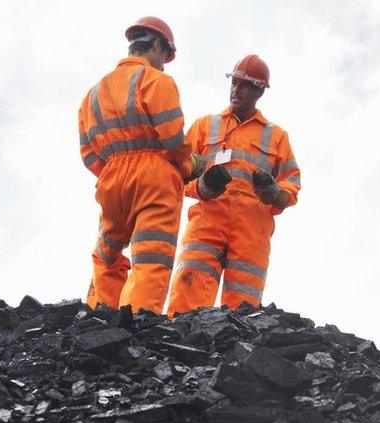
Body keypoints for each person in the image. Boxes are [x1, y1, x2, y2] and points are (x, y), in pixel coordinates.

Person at [78, 16, 203, 314]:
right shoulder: (156, 81)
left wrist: (112, 173)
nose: (163, 64)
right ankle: (137, 324)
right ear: (157, 45)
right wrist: (189, 167)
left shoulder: (92, 94)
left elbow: (88, 154)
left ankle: (98, 320)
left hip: (110, 181)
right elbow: (173, 139)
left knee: (106, 254)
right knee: (151, 257)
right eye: (164, 57)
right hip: (154, 178)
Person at [167, 54, 301, 315]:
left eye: (244, 85)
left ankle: (233, 355)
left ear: (259, 91)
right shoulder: (206, 126)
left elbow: (292, 183)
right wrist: (202, 187)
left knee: (243, 313)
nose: (235, 90)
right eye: (234, 83)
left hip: (252, 231)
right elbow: (177, 173)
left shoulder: (276, 136)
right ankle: (178, 351)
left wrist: (274, 193)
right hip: (207, 223)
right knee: (187, 296)